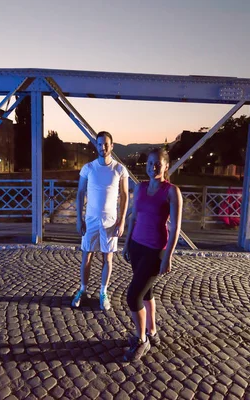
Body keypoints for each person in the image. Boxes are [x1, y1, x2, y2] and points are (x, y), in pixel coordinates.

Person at [122, 148, 182, 362]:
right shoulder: (140, 188)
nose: (153, 167)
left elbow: (175, 228)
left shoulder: (172, 191)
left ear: (166, 166)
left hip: (156, 250)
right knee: (147, 293)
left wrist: (168, 257)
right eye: (149, 163)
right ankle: (152, 332)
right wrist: (127, 244)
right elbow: (133, 218)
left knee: (133, 296)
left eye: (157, 163)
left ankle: (141, 340)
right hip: (137, 246)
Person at [73, 131, 129, 311]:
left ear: (111, 146)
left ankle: (103, 292)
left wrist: (122, 221)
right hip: (90, 220)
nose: (102, 147)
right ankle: (83, 290)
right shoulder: (88, 168)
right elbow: (80, 193)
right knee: (86, 256)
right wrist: (79, 219)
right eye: (99, 144)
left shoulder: (119, 169)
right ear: (95, 146)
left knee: (108, 258)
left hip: (110, 221)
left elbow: (125, 197)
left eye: (106, 144)